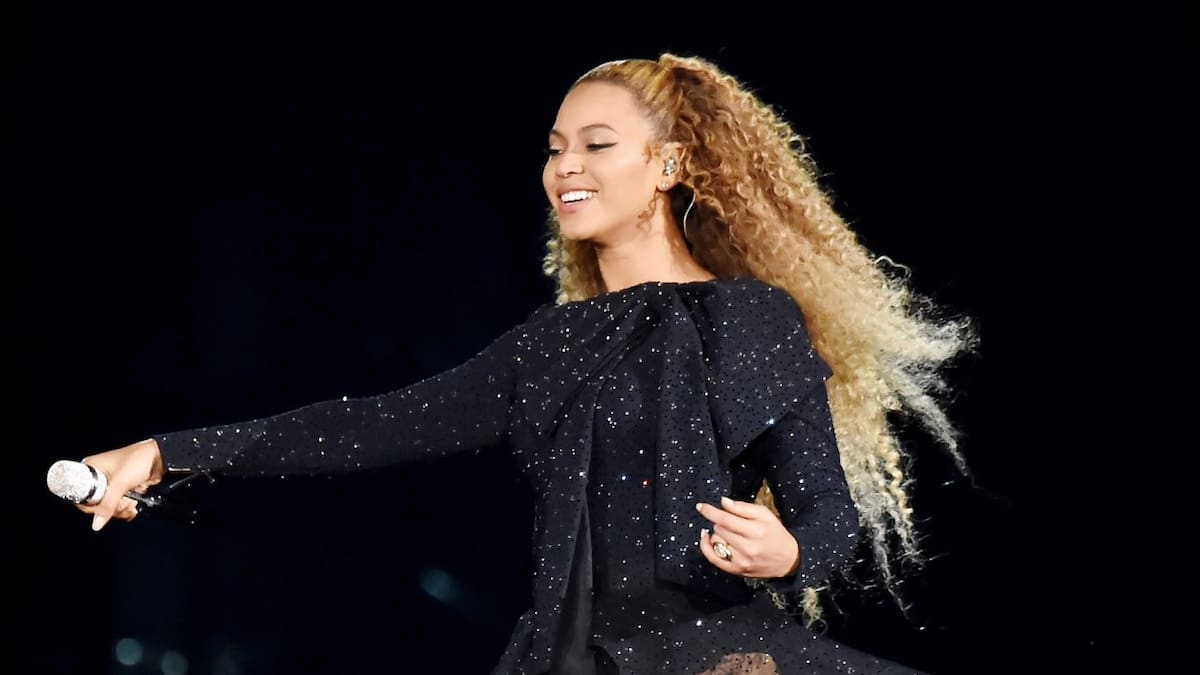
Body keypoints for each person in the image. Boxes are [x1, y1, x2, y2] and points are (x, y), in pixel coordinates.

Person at [64, 53, 977, 674]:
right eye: (554, 148)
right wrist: (167, 452)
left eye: (596, 145)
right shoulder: (550, 344)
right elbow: (373, 423)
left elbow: (827, 513)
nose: (564, 166)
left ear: (669, 165)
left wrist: (788, 551)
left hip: (711, 654)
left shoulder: (746, 317)